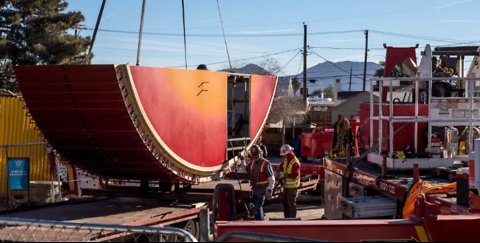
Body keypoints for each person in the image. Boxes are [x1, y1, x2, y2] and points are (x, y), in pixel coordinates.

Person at [246, 144, 275, 220]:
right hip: (255, 189)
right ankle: (259, 221)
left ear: (261, 153)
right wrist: (242, 160)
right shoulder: (252, 162)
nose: (256, 156)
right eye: (254, 155)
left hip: (263, 189)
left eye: (257, 154)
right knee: (258, 207)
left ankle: (260, 221)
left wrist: (269, 189)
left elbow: (271, 178)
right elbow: (245, 169)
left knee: (257, 207)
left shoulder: (266, 163)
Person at [277, 144, 301, 218]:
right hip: (286, 186)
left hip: (293, 186)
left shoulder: (295, 162)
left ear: (288, 153)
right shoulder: (286, 159)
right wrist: (278, 172)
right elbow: (280, 167)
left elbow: (295, 175)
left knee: (291, 203)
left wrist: (285, 175)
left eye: (285, 154)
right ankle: (287, 219)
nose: (284, 156)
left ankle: (292, 219)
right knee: (285, 203)